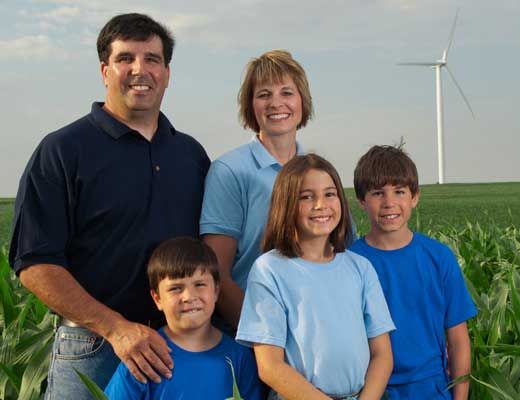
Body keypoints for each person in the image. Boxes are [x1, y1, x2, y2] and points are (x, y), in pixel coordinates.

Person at [8, 13, 210, 399]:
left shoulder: (190, 154)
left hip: (178, 344)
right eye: (125, 59)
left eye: (152, 59)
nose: (140, 69)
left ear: (166, 73)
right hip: (93, 346)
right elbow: (34, 263)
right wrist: (115, 328)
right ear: (105, 70)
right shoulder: (63, 151)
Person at [236, 154, 395, 400]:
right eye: (306, 197)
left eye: (329, 194)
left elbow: (382, 355)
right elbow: (270, 367)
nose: (320, 205)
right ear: (286, 204)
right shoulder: (269, 270)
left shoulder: (360, 267)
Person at [349, 145, 478, 400]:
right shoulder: (350, 262)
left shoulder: (438, 257)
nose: (389, 203)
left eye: (399, 191)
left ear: (415, 197)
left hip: (431, 387)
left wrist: (460, 396)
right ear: (361, 201)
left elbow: (458, 339)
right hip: (370, 388)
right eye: (377, 193)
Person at [200, 50, 312, 330]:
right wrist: (263, 338)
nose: (276, 103)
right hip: (252, 333)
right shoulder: (229, 171)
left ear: (302, 101)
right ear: (251, 106)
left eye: (287, 92)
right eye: (264, 94)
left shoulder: (318, 172)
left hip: (312, 332)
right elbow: (218, 274)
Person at [105, 237, 266, 399]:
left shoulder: (239, 356)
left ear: (216, 291)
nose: (189, 296)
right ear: (157, 299)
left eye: (200, 285)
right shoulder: (144, 357)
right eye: (175, 288)